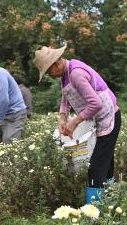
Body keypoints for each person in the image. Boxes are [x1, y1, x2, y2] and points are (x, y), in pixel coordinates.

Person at [35, 46, 121, 204]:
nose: (50, 75)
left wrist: (74, 123)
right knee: (105, 164)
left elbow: (96, 104)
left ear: (56, 64)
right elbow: (65, 97)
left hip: (109, 117)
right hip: (101, 119)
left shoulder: (76, 73)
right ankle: (112, 202)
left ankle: (95, 212)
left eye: (48, 71)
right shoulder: (66, 74)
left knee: (95, 168)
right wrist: (62, 118)